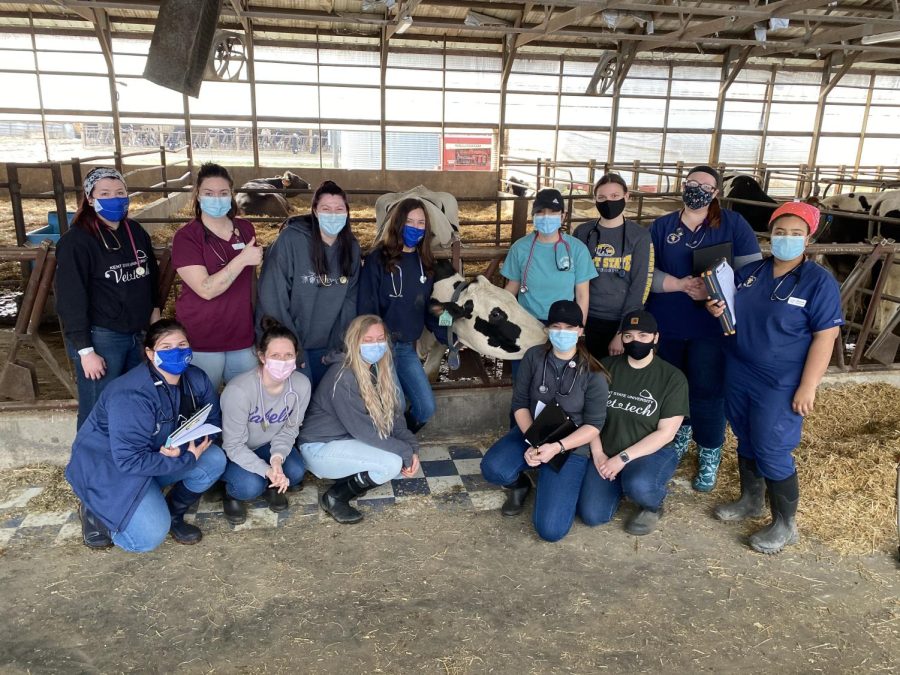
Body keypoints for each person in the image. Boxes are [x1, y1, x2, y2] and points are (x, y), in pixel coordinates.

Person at [707, 202, 842, 554]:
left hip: (780, 380)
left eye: (796, 234)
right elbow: (727, 308)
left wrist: (808, 385)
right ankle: (751, 501)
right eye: (780, 232)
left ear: (808, 238)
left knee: (772, 445)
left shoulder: (818, 283)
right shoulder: (751, 272)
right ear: (770, 234)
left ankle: (785, 524)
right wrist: (715, 307)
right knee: (746, 436)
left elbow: (825, 337)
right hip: (740, 368)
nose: (786, 239)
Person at [645, 165, 762, 492]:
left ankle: (709, 452)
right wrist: (679, 284)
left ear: (716, 193)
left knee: (708, 392)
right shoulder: (662, 225)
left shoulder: (733, 224)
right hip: (667, 324)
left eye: (705, 185)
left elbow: (750, 272)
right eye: (691, 183)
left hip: (711, 326)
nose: (696, 189)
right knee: (672, 388)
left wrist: (715, 291)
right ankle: (679, 436)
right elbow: (645, 271)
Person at [65, 319, 227, 553]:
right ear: (150, 354)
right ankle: (94, 510)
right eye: (167, 348)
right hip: (112, 468)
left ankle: (172, 514)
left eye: (182, 345)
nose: (177, 352)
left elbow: (212, 420)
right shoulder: (132, 395)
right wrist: (186, 458)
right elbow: (128, 460)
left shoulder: (195, 378)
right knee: (145, 539)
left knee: (214, 459)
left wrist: (185, 449)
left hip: (155, 455)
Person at [480, 300, 609, 542]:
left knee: (551, 531)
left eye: (570, 327)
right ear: (547, 329)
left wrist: (557, 447)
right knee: (493, 469)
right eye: (556, 326)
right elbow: (519, 404)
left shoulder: (594, 374)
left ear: (581, 331)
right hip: (533, 433)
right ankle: (521, 484)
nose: (563, 332)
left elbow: (593, 426)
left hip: (570, 446)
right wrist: (536, 442)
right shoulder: (534, 357)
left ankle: (558, 485)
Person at [55, 167, 161, 429]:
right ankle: (86, 467)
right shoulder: (76, 241)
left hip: (138, 333)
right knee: (97, 407)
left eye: (120, 192)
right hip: (103, 337)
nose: (115, 199)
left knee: (131, 401)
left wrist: (155, 318)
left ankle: (122, 461)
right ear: (90, 198)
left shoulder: (135, 232)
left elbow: (151, 277)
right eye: (105, 193)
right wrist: (85, 350)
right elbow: (71, 298)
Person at [298, 315, 419, 525]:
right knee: (392, 463)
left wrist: (412, 447)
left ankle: (349, 477)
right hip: (319, 447)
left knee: (400, 467)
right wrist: (404, 452)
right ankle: (335, 497)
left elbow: (394, 418)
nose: (376, 345)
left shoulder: (379, 369)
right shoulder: (343, 376)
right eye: (368, 340)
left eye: (380, 339)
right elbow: (364, 432)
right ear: (354, 342)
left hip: (346, 441)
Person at [578, 310, 689, 536]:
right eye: (628, 336)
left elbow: (666, 433)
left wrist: (622, 459)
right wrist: (599, 454)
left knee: (639, 485)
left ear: (655, 338)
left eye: (643, 336)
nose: (635, 341)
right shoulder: (605, 368)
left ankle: (652, 504)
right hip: (606, 451)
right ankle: (619, 485)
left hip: (650, 453)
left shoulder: (672, 377)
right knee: (592, 515)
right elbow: (590, 415)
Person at [256, 180, 361, 389]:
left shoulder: (351, 248)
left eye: (339, 209)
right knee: (295, 402)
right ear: (314, 210)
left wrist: (338, 347)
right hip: (291, 344)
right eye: (326, 209)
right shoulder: (291, 241)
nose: (333, 214)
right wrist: (291, 348)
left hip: (328, 346)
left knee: (322, 404)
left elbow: (350, 300)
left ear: (347, 212)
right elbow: (273, 295)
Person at [172, 163, 263, 391]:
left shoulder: (245, 229)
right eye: (209, 193)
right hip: (202, 336)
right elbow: (206, 289)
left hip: (241, 334)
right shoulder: (186, 237)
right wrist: (242, 259)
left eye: (223, 193)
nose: (217, 198)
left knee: (245, 402)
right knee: (202, 404)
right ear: (198, 196)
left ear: (231, 195)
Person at [219, 319, 311, 524]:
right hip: (237, 450)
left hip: (267, 444)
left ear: (296, 356)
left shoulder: (301, 385)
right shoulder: (239, 391)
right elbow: (233, 445)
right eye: (275, 356)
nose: (283, 361)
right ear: (262, 357)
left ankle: (272, 484)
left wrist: (276, 460)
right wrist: (266, 470)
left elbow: (290, 429)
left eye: (288, 355)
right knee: (250, 486)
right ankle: (230, 493)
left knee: (295, 472)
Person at [358, 197, 437, 432]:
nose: (415, 227)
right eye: (409, 221)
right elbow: (366, 306)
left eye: (421, 223)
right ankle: (396, 445)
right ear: (397, 223)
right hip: (381, 347)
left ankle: (402, 437)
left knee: (426, 407)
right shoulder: (378, 258)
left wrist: (448, 326)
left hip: (406, 348)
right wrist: (371, 345)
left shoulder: (425, 262)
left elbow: (428, 307)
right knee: (397, 404)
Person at [573, 173, 654, 359]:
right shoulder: (583, 232)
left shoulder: (639, 236)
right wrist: (576, 321)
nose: (608, 201)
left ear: (627, 196)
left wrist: (623, 331)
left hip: (619, 319)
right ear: (595, 199)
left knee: (614, 374)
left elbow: (640, 285)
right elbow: (573, 277)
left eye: (615, 196)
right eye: (602, 197)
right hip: (587, 316)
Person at [502, 188, 597, 325]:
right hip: (526, 322)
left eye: (553, 212)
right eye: (540, 212)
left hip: (563, 323)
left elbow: (582, 294)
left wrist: (578, 325)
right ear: (533, 216)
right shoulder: (520, 247)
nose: (546, 217)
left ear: (563, 216)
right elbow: (513, 287)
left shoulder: (577, 249)